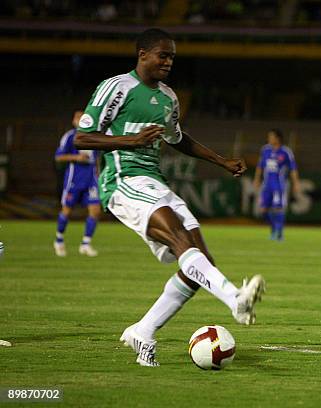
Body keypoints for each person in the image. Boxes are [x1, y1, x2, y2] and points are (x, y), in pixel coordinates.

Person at [74, 28, 265, 367]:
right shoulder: (117, 87)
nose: (168, 61)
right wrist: (129, 142)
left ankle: (143, 331)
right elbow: (83, 137)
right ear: (142, 54)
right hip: (123, 180)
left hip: (155, 183)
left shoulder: (168, 98)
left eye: (172, 57)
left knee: (200, 262)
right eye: (162, 55)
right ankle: (236, 298)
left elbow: (178, 138)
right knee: (181, 241)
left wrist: (220, 160)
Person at [54, 110, 100, 257]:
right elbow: (58, 157)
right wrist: (76, 157)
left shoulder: (93, 136)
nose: (80, 121)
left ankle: (86, 244)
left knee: (95, 210)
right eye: (78, 118)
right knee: (67, 211)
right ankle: (59, 240)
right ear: (74, 121)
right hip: (74, 179)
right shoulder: (69, 136)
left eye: (83, 118)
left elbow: (97, 157)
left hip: (91, 179)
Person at [253, 129, 300, 240]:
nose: (269, 139)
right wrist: (256, 179)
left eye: (271, 137)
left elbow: (293, 168)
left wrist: (296, 183)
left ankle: (279, 233)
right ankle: (274, 228)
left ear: (278, 138)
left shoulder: (285, 152)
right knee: (263, 210)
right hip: (266, 185)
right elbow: (260, 166)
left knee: (278, 208)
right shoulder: (265, 150)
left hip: (279, 185)